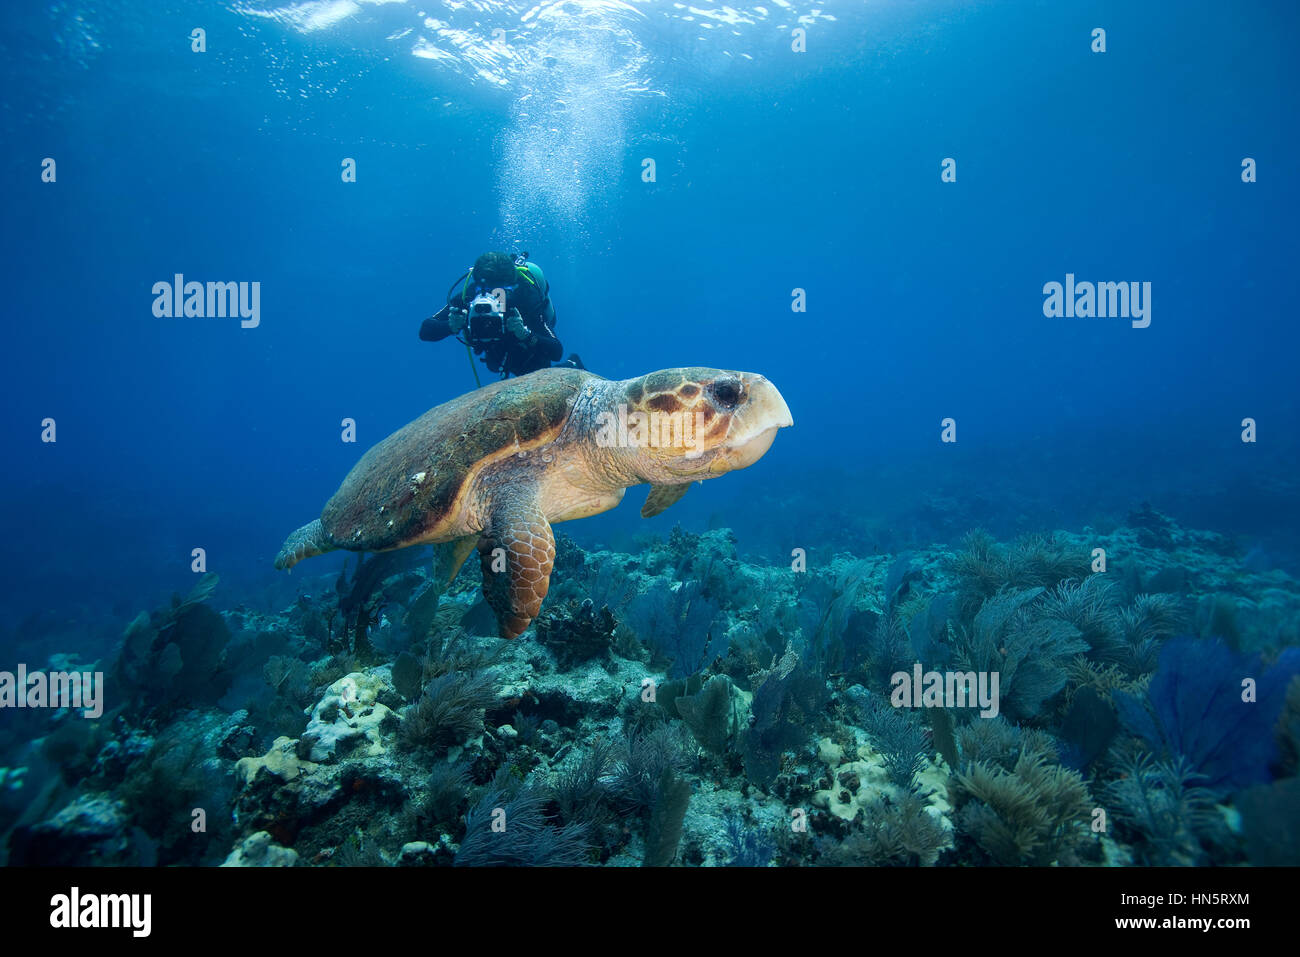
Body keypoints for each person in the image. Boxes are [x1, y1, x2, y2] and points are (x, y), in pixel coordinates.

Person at [419, 251, 582, 379]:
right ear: (477, 286)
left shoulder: (524, 297)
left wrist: (525, 334)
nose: (491, 298)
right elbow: (426, 330)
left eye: (500, 292)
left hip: (524, 348)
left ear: (512, 286)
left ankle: (572, 364)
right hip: (495, 350)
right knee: (497, 364)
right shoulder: (470, 297)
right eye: (486, 291)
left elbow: (555, 350)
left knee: (539, 374)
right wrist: (450, 326)